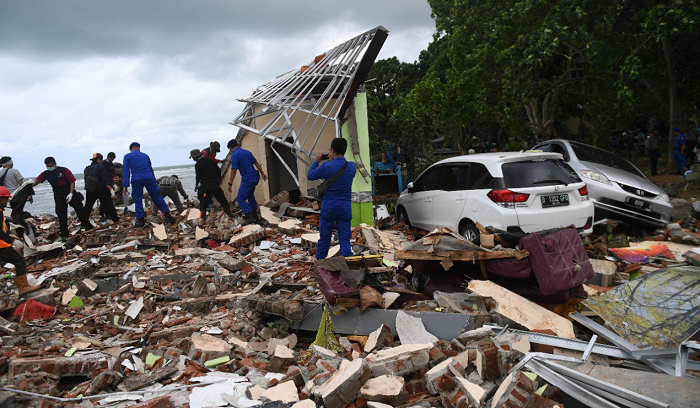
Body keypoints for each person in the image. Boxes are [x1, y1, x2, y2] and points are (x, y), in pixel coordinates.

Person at [307, 138, 357, 259]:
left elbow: (310, 175)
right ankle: (347, 265)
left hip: (329, 207)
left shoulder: (326, 166)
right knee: (345, 238)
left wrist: (316, 161)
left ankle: (321, 265)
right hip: (344, 208)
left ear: (332, 150)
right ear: (345, 150)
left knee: (325, 238)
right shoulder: (351, 167)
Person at [35, 157, 94, 240]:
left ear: (55, 164)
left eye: (51, 166)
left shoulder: (64, 171)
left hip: (71, 193)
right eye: (47, 166)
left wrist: (71, 193)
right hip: (59, 196)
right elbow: (36, 181)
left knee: (80, 211)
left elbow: (72, 182)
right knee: (61, 215)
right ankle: (64, 235)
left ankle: (88, 227)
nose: (49, 168)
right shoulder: (46, 173)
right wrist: (28, 186)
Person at [122, 142, 176, 227]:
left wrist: (125, 185)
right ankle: (167, 215)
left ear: (131, 149)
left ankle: (140, 220)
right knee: (157, 196)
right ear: (139, 148)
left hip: (137, 178)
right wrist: (154, 181)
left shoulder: (127, 156)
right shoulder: (145, 156)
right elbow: (150, 169)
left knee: (138, 199)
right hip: (149, 177)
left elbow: (126, 171)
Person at [0, 186, 40, 295]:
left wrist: (10, 236)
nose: (7, 201)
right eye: (6, 199)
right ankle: (23, 287)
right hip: (1, 246)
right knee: (20, 262)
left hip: (3, 242)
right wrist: (12, 241)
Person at [226, 139, 268, 225]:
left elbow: (233, 170)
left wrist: (230, 183)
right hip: (255, 177)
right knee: (250, 196)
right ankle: (255, 217)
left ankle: (251, 217)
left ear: (231, 148)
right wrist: (263, 173)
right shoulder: (247, 152)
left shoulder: (235, 155)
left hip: (248, 179)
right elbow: (256, 163)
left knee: (240, 199)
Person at [191, 149, 234, 222]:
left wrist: (196, 185)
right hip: (214, 184)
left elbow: (198, 176)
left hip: (205, 186)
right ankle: (229, 214)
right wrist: (219, 179)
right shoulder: (211, 160)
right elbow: (218, 170)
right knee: (222, 200)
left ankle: (203, 218)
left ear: (195, 158)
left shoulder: (198, 164)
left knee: (203, 202)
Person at [83, 153, 119, 223]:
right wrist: (111, 188)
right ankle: (116, 220)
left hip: (90, 190)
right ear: (99, 160)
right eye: (101, 159)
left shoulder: (87, 168)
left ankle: (84, 222)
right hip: (101, 189)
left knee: (88, 207)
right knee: (109, 205)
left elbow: (86, 179)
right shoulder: (101, 167)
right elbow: (105, 180)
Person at [98, 152, 118, 221]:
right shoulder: (103, 164)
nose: (111, 160)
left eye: (112, 159)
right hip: (104, 185)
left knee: (107, 201)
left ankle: (107, 214)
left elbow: (113, 174)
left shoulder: (111, 164)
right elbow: (104, 177)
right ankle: (103, 215)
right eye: (110, 159)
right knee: (104, 201)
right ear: (108, 157)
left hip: (109, 183)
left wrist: (113, 183)